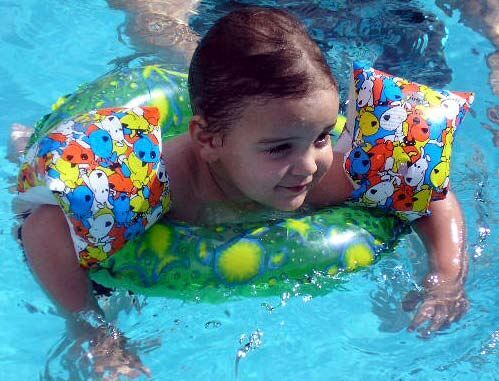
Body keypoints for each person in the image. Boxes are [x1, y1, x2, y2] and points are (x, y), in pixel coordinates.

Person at [16, 7, 469, 379]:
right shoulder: (156, 183)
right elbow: (46, 228)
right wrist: (89, 331)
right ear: (208, 140)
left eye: (321, 136)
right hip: (112, 164)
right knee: (59, 189)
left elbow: (429, 192)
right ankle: (26, 145)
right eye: (279, 148)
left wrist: (446, 280)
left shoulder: (326, 172)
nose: (310, 164)